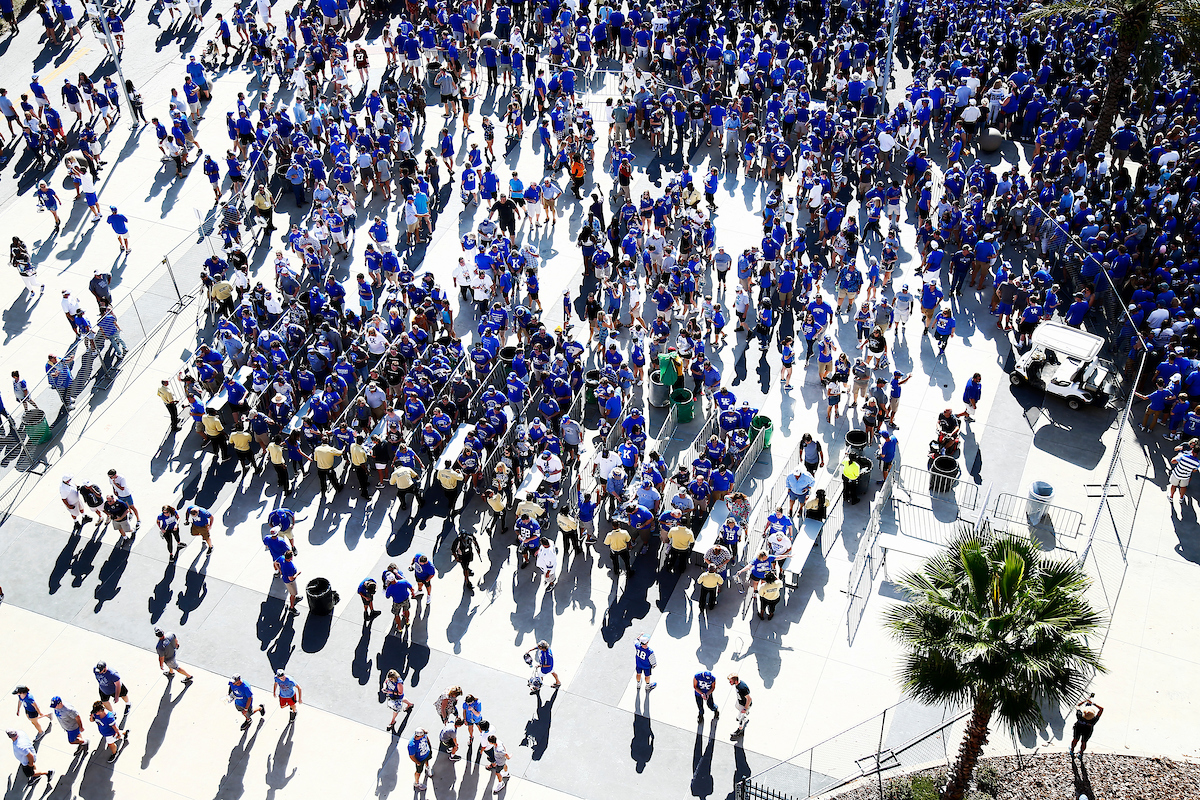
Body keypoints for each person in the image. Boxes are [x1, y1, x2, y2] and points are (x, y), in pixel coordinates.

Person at [727, 673, 752, 739]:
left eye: (731, 681)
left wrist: (745, 709)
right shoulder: (737, 684)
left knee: (740, 719)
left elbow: (749, 699)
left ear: (735, 681)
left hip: (744, 705)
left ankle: (740, 732)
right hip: (740, 702)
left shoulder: (742, 688)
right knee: (737, 706)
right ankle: (744, 716)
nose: (729, 682)